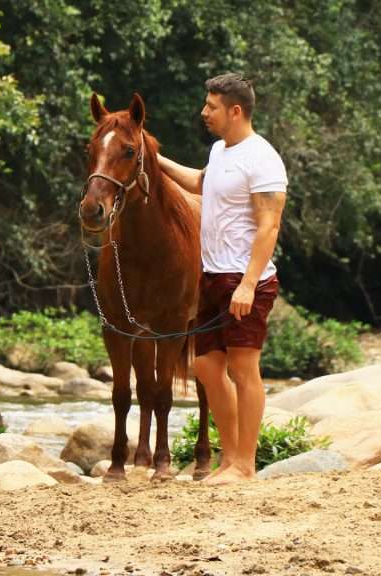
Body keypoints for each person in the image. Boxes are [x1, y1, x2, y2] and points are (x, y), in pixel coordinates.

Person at [158, 73, 288, 484]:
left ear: (235, 111)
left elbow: (269, 226)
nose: (204, 113)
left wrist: (249, 284)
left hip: (246, 281)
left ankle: (245, 466)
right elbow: (201, 182)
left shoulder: (262, 158)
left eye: (211, 106)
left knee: (244, 369)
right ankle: (230, 461)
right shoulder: (220, 151)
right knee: (206, 367)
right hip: (213, 277)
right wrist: (151, 157)